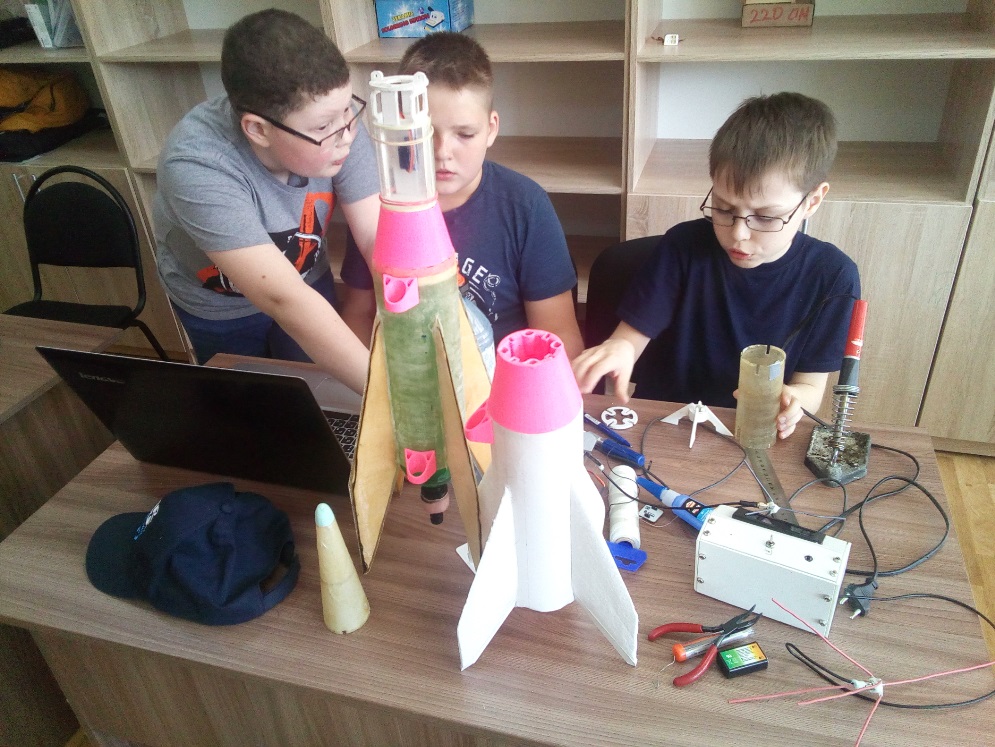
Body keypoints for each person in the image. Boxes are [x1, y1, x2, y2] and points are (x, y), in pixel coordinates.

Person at [573, 92, 860, 440]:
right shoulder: (682, 247)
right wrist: (618, 348)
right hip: (666, 424)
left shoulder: (833, 277)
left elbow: (811, 386)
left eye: (765, 217)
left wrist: (795, 400)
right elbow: (630, 337)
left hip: (750, 429)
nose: (738, 234)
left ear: (812, 201)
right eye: (724, 209)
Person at [152, 10, 380, 394]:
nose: (346, 134)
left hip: (306, 276)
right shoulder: (196, 164)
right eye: (323, 126)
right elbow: (284, 299)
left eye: (347, 109)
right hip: (218, 305)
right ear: (258, 130)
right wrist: (386, 397)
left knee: (320, 392)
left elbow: (377, 238)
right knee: (249, 403)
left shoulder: (339, 127)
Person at [340, 31, 584, 358]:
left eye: (465, 134)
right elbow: (359, 314)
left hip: (501, 379)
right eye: (425, 133)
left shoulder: (526, 207)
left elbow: (558, 334)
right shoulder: (379, 206)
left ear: (491, 129)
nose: (442, 152)